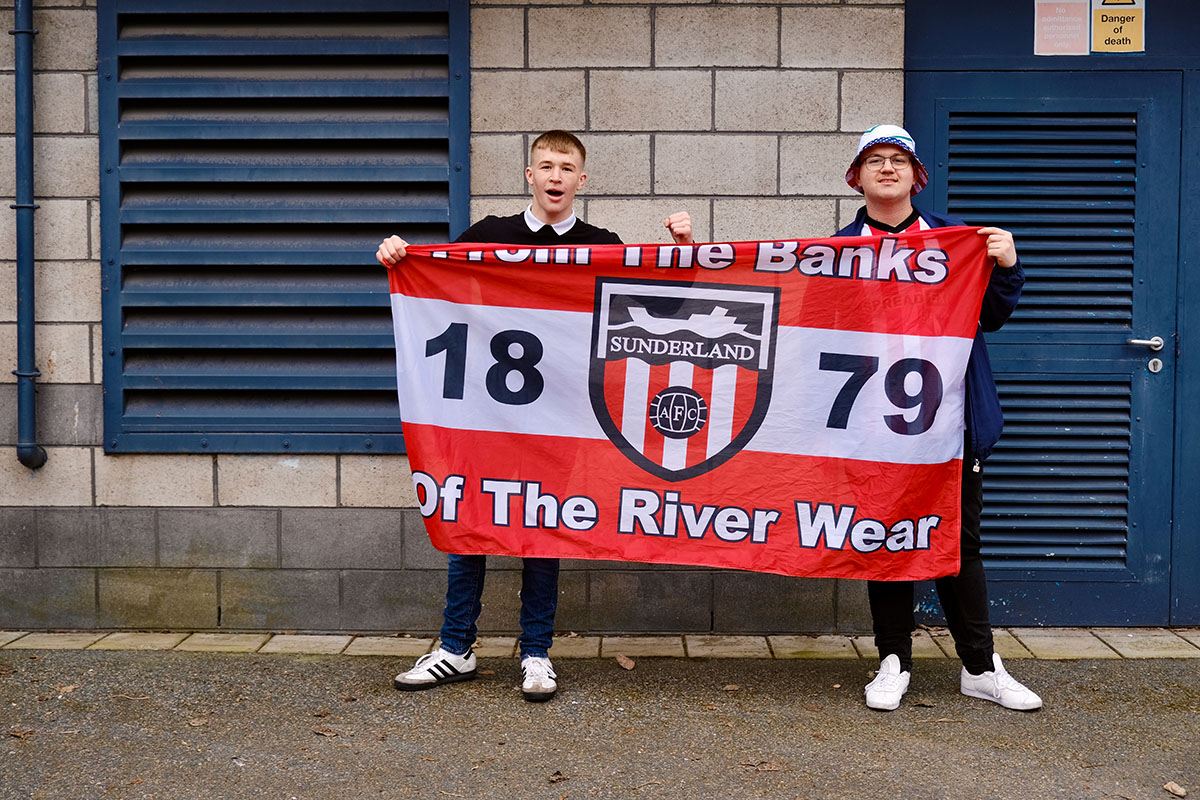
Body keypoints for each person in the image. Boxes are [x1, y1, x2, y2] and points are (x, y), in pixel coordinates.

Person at [377, 129, 693, 702]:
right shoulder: (491, 235)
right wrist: (400, 255)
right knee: (470, 520)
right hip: (487, 413)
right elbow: (437, 278)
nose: (554, 176)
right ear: (529, 175)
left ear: (582, 180)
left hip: (561, 417)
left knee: (545, 527)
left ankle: (537, 652)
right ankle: (455, 647)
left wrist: (683, 250)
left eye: (565, 167)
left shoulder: (602, 243)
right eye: (545, 165)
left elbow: (659, 308)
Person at [834, 124, 1042, 712]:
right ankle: (893, 659)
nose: (887, 169)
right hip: (876, 424)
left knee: (959, 542)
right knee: (886, 538)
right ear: (858, 177)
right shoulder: (836, 251)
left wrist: (1007, 266)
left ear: (916, 174)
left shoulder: (956, 241)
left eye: (898, 160)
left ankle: (979, 665)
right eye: (874, 160)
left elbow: (993, 317)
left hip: (952, 423)